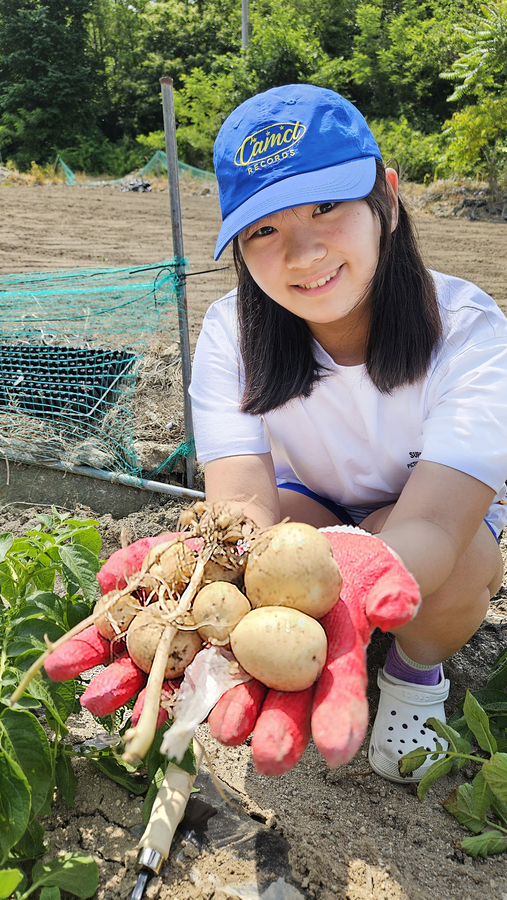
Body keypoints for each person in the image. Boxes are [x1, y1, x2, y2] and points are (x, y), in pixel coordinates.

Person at [188, 83, 507, 782]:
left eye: (326, 206)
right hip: (313, 502)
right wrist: (204, 588)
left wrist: (339, 598)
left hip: (429, 511)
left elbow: (427, 528)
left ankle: (414, 672)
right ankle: (349, 632)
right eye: (263, 229)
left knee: (454, 575)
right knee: (252, 547)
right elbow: (241, 501)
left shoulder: (468, 331)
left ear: (386, 201)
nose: (301, 253)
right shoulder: (230, 334)